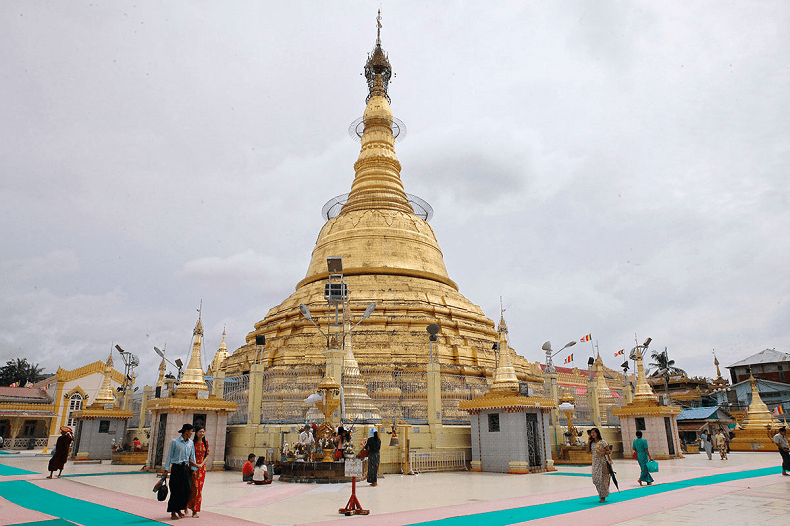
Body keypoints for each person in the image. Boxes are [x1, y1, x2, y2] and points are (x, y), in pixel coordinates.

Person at [162, 423, 197, 521]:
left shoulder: (190, 443)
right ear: (186, 431)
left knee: (186, 489)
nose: (191, 433)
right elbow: (169, 455)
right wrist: (166, 469)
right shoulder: (175, 442)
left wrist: (194, 469)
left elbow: (192, 456)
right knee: (175, 490)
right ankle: (173, 511)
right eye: (191, 431)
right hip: (176, 468)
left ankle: (180, 508)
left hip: (185, 468)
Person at [186, 426, 209, 518]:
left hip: (202, 468)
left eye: (203, 432)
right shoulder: (192, 443)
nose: (202, 433)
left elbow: (207, 454)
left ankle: (195, 510)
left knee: (199, 489)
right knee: (193, 488)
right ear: (196, 433)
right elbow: (188, 456)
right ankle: (187, 505)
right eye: (200, 432)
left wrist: (202, 463)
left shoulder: (205, 443)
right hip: (193, 468)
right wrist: (195, 465)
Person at [586, 427, 611, 503]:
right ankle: (601, 494)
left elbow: (609, 451)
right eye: (591, 433)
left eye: (594, 432)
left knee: (602, 479)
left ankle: (602, 497)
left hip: (602, 462)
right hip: (595, 463)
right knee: (596, 479)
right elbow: (588, 451)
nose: (592, 434)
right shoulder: (592, 443)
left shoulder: (602, 442)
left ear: (597, 433)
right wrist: (588, 442)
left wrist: (602, 453)